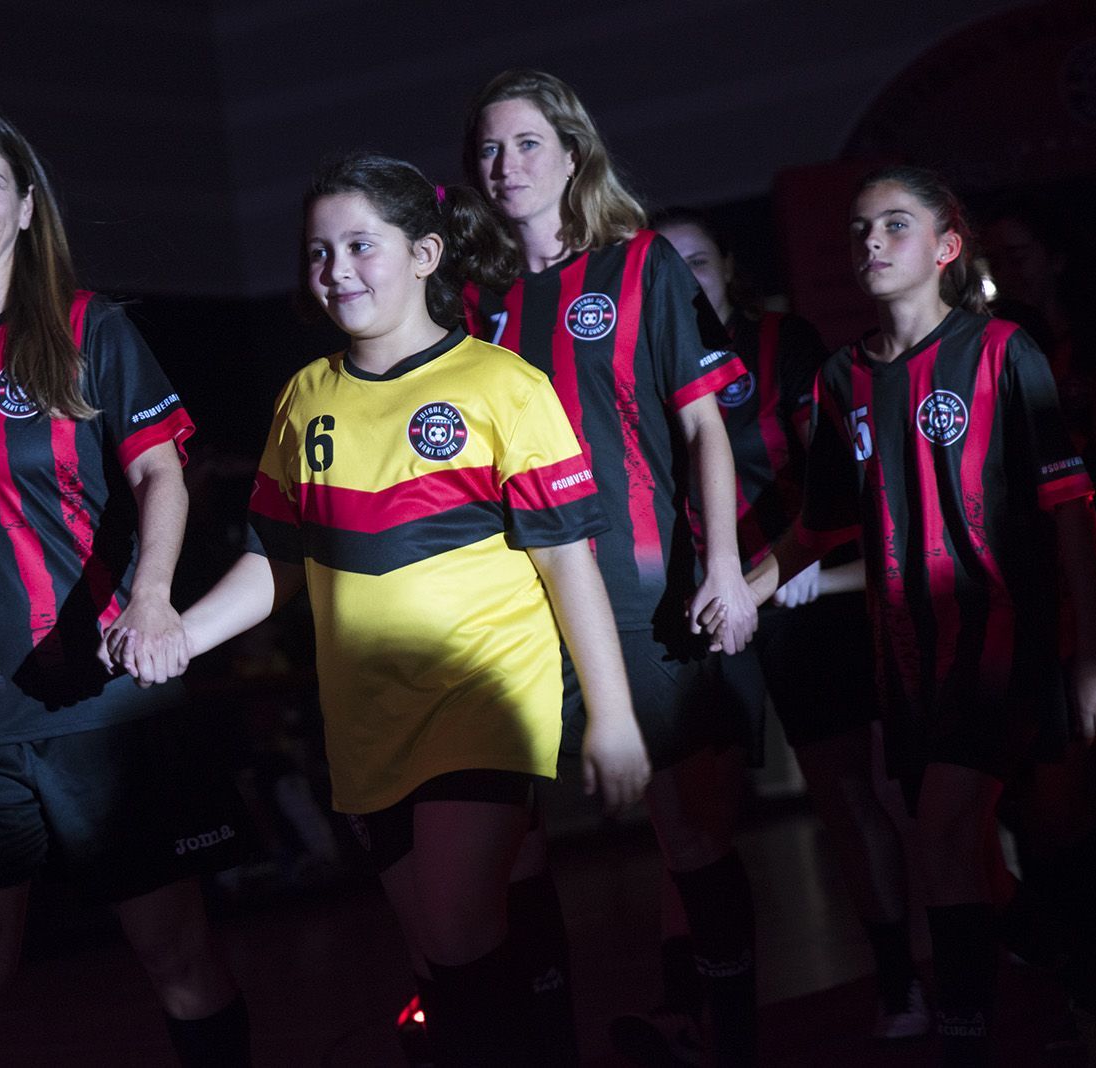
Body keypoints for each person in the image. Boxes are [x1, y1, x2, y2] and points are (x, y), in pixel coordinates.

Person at [108, 152, 650, 1066]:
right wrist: (179, 631)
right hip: (364, 726)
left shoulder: (502, 387)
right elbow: (279, 562)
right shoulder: (305, 398)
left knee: (457, 927)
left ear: (427, 254)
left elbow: (568, 564)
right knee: (442, 956)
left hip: (484, 704)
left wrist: (614, 717)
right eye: (319, 253)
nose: (337, 271)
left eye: (362, 245)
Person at [744, 165, 1096, 1066]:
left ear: (946, 247)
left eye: (894, 225)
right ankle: (1090, 979)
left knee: (960, 835)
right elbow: (822, 520)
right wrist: (743, 588)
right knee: (957, 860)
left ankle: (973, 1033)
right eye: (858, 229)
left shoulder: (1001, 350)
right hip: (906, 657)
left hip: (1000, 637)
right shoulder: (842, 379)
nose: (870, 242)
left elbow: (1070, 505)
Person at [0, 97, 250, 1068]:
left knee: (175, 953)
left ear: (22, 208)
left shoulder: (87, 329)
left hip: (97, 704)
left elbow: (161, 472)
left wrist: (150, 599)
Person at [460, 70, 762, 1065]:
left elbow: (703, 428)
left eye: (527, 145)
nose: (506, 167)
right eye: (490, 150)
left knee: (685, 831)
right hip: (517, 606)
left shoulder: (639, 269)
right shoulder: (473, 298)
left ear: (573, 152)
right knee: (515, 843)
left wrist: (721, 566)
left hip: (639, 591)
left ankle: (732, 1039)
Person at [646, 209, 924, 1041]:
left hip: (794, 590)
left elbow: (833, 467)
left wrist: (797, 570)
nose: (684, 278)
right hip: (698, 609)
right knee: (700, 811)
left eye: (697, 260)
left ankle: (900, 978)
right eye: (668, 267)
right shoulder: (637, 366)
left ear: (728, 267)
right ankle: (691, 1008)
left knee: (843, 788)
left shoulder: (781, 341)